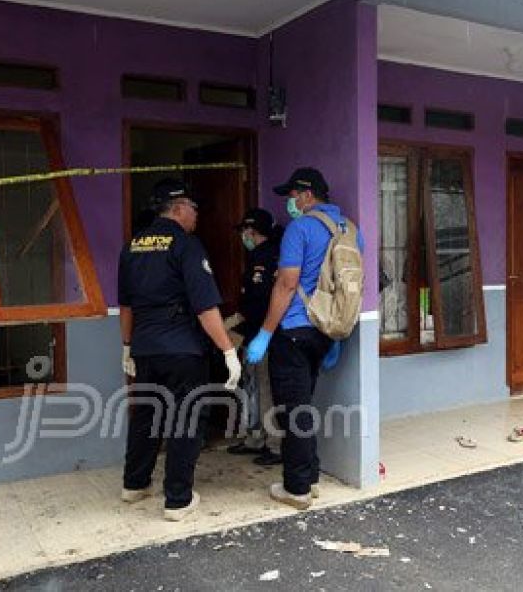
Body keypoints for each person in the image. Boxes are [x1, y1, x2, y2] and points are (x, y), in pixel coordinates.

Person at [118, 178, 242, 522]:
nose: (196, 214)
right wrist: (228, 351)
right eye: (193, 207)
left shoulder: (132, 246)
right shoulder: (186, 245)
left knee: (145, 416)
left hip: (145, 347)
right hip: (182, 349)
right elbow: (205, 307)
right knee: (186, 419)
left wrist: (127, 347)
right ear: (179, 208)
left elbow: (126, 306)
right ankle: (177, 499)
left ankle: (135, 484)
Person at [245, 167, 364, 510]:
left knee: (293, 410)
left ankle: (296, 488)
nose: (290, 203)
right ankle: (308, 475)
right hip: (325, 331)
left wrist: (264, 334)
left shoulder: (300, 228)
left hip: (294, 331)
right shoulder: (351, 230)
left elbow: (286, 283)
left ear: (308, 195)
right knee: (304, 403)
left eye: (292, 196)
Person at [225, 208, 283, 465]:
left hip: (264, 335)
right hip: (255, 333)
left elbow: (259, 303)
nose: (242, 236)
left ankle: (274, 446)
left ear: (251, 231)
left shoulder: (265, 258)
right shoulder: (259, 255)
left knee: (265, 389)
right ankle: (255, 438)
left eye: (243, 231)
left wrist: (242, 326)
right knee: (252, 387)